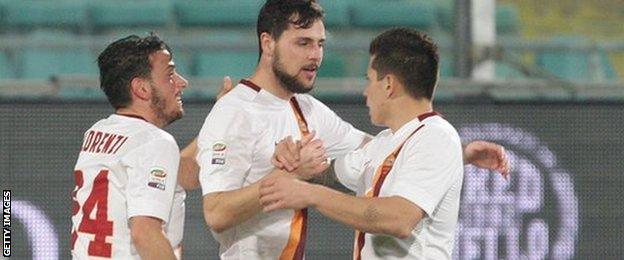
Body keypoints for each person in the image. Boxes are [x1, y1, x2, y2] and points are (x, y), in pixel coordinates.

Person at [189, 0, 509, 259]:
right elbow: (216, 212)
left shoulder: (308, 109)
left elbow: (381, 153)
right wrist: (290, 178)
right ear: (267, 43)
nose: (316, 55)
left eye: (320, 44)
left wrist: (456, 154)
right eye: (303, 43)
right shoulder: (234, 111)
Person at [260, 28, 464, 259]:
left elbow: (400, 218)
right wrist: (295, 158)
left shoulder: (436, 137)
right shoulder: (384, 143)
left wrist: (311, 194)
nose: (366, 91)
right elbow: (327, 175)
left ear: (389, 85)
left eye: (369, 80)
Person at [70, 34, 188, 259]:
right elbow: (144, 233)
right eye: (170, 75)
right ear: (142, 89)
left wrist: (221, 123)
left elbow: (186, 174)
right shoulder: (155, 142)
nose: (182, 82)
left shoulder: (97, 132)